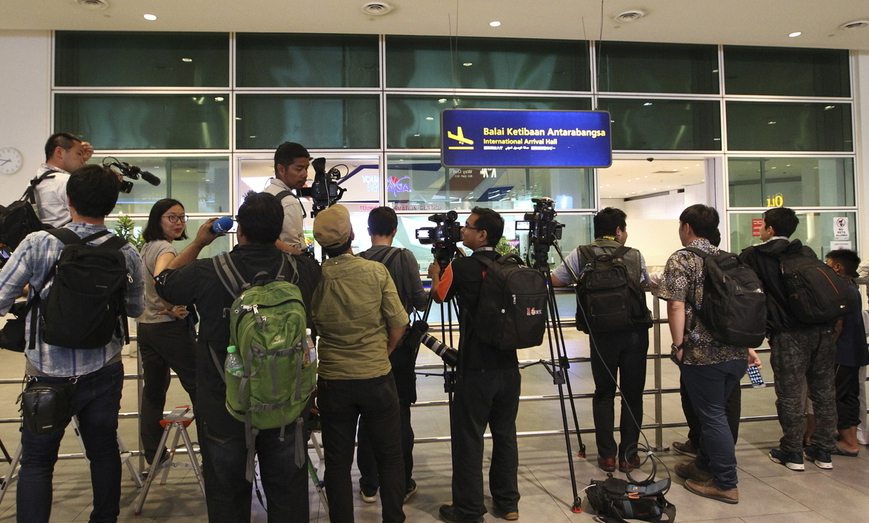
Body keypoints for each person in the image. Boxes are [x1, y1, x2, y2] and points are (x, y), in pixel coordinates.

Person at [155, 191, 321, 523]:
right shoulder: (302, 271)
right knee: (289, 497)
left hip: (224, 406)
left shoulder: (209, 271)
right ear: (277, 231)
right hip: (285, 404)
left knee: (227, 497)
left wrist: (201, 242)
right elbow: (310, 263)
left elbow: (165, 282)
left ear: (239, 229)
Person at [0, 164, 145, 523]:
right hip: (104, 371)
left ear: (68, 200)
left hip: (47, 374)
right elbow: (135, 308)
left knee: (37, 460)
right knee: (103, 451)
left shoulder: (39, 243)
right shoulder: (125, 251)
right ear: (111, 206)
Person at [310, 204, 407, 523]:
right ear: (352, 235)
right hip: (376, 377)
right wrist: (384, 352)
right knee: (390, 456)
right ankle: (393, 517)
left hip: (333, 382)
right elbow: (398, 323)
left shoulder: (316, 278)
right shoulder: (375, 272)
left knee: (337, 462)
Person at [428, 207, 520, 523]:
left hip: (476, 368)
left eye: (467, 228)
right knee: (505, 434)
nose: (462, 232)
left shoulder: (462, 266)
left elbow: (440, 295)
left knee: (469, 438)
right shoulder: (512, 265)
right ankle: (508, 503)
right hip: (509, 367)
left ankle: (468, 509)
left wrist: (435, 272)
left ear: (481, 235)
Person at [551, 207, 651, 473]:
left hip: (601, 334)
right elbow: (644, 284)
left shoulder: (581, 254)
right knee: (632, 395)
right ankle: (628, 456)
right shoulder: (634, 255)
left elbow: (555, 280)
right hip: (633, 333)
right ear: (618, 231)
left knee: (604, 393)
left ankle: (607, 455)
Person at [657, 204, 746, 504]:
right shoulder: (728, 258)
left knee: (711, 416)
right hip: (735, 350)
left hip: (703, 353)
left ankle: (725, 482)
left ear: (687, 227)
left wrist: (678, 344)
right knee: (717, 411)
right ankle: (704, 466)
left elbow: (676, 304)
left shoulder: (682, 258)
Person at [739, 207, 837, 471]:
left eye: (763, 225)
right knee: (824, 392)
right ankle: (824, 451)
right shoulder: (806, 252)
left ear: (769, 229)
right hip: (823, 330)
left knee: (790, 394)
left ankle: (792, 451)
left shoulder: (754, 256)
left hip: (788, 333)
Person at [356, 206, 428, 504]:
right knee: (398, 413)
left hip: (367, 347)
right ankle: (402, 482)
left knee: (367, 413)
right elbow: (420, 302)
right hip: (399, 348)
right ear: (395, 230)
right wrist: (436, 283)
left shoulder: (358, 261)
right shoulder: (404, 257)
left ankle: (369, 483)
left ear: (369, 230)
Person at [137, 198, 198, 472]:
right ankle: (213, 447)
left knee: (153, 391)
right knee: (200, 384)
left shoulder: (145, 248)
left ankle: (154, 453)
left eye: (182, 218)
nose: (178, 223)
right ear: (157, 220)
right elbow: (163, 280)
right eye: (171, 217)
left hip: (146, 327)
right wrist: (170, 308)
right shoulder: (164, 249)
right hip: (167, 329)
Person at [824, 249, 869, 456]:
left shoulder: (841, 289)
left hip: (844, 353)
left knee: (840, 397)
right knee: (850, 395)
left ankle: (849, 442)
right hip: (856, 351)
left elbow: (838, 325)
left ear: (837, 267)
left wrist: (827, 346)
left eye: (828, 263)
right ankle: (849, 438)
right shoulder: (852, 287)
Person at [34, 133, 94, 227]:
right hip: (67, 240)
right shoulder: (66, 181)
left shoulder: (34, 182)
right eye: (78, 154)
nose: (82, 159)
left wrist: (82, 162)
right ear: (59, 152)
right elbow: (88, 220)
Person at [264, 141, 310, 255]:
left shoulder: (266, 194)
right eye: (299, 169)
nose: (305, 174)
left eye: (306, 168)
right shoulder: (288, 202)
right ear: (281, 169)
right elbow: (294, 249)